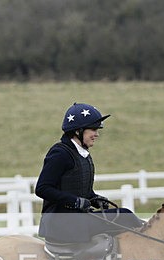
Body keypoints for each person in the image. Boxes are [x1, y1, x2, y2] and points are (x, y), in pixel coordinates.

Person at [35, 102, 143, 244]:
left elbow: (77, 188)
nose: (96, 134)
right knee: (125, 216)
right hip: (61, 222)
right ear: (77, 131)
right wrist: (74, 202)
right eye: (93, 130)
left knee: (125, 216)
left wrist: (94, 198)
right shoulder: (60, 153)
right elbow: (42, 189)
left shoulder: (82, 154)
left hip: (78, 219)